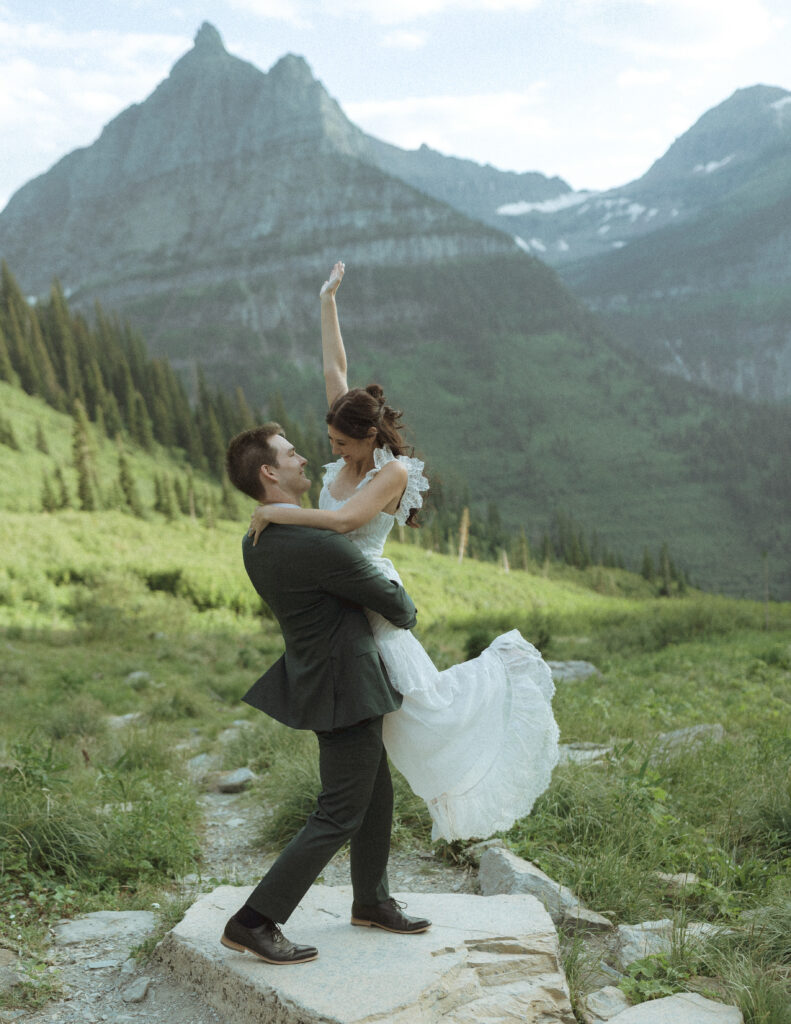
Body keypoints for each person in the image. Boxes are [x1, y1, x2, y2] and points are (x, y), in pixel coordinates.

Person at [248, 262, 560, 844]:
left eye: (342, 443)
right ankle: (371, 877)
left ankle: (489, 720)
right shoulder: (347, 432)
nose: (332, 450)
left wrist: (279, 511)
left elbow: (344, 521)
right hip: (338, 594)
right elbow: (335, 367)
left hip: (368, 590)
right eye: (330, 440)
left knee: (424, 707)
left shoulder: (393, 474)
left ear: (369, 438)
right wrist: (327, 302)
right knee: (377, 729)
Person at [222, 423, 431, 965]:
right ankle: (254, 920)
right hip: (346, 683)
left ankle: (372, 900)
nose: (302, 459)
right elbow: (398, 608)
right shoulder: (316, 542)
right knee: (339, 811)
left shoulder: (258, 537)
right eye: (290, 454)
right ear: (270, 472)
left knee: (374, 789)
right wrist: (399, 592)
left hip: (319, 675)